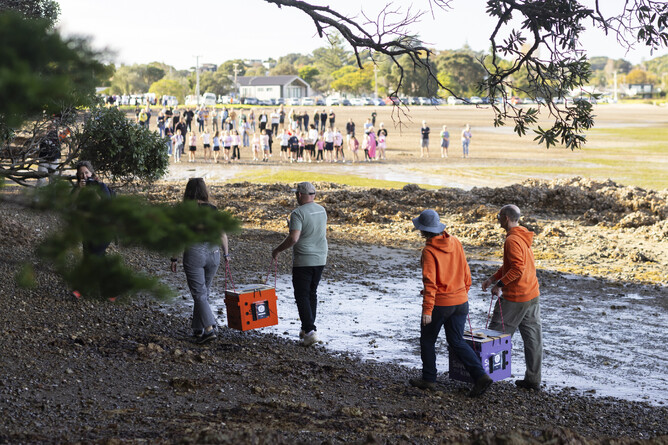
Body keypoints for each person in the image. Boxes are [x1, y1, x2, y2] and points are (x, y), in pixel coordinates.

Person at [409, 209, 493, 397]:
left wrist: (427, 309)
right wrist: (462, 293)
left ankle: (429, 379)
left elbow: (430, 283)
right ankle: (480, 376)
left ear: (423, 231)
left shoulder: (429, 251)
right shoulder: (455, 242)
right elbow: (466, 273)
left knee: (427, 340)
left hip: (441, 304)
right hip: (461, 301)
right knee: (456, 341)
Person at [482, 205, 542, 391]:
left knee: (494, 334)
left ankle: (484, 378)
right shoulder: (522, 236)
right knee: (532, 338)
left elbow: (517, 269)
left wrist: (499, 285)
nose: (497, 219)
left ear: (506, 218)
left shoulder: (512, 240)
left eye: (499, 216)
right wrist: (493, 278)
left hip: (517, 297)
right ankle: (533, 380)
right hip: (532, 293)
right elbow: (510, 266)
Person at [171, 178, 229, 345]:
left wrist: (174, 258)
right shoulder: (212, 209)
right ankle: (198, 328)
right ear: (204, 191)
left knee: (199, 294)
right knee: (204, 292)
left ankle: (209, 329)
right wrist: (226, 254)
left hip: (195, 252)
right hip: (214, 252)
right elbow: (222, 233)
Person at [272, 182, 328, 347]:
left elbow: (294, 238)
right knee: (312, 293)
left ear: (300, 195)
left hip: (304, 258)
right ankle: (306, 329)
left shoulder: (297, 213)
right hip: (321, 257)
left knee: (301, 295)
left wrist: (277, 250)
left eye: (297, 193)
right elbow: (313, 230)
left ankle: (310, 331)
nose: (296, 196)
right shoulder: (322, 210)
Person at [73, 161, 113, 257]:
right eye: (81, 173)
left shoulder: (100, 186)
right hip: (87, 229)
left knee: (94, 255)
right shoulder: (78, 188)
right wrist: (79, 189)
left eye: (86, 172)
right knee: (88, 254)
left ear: (91, 173)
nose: (84, 176)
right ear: (78, 175)